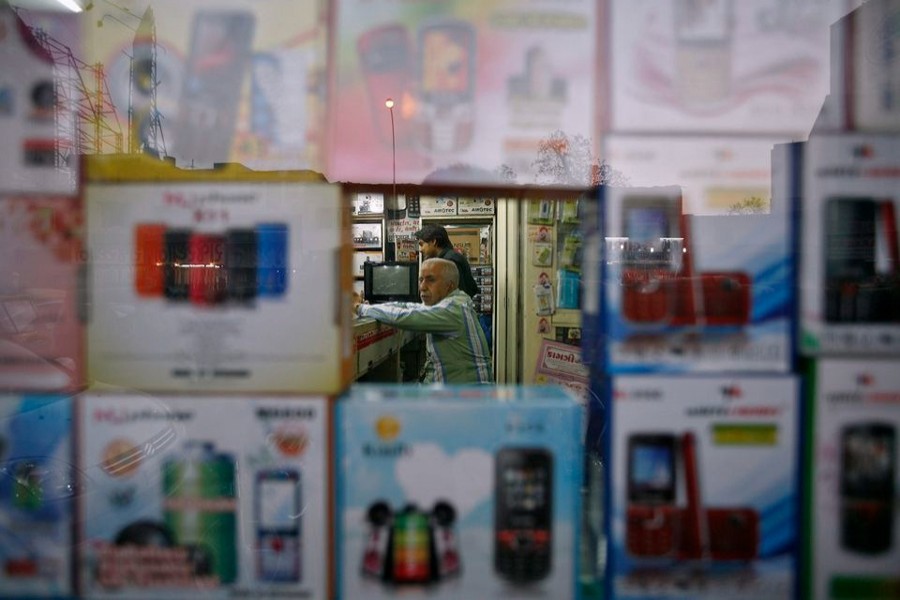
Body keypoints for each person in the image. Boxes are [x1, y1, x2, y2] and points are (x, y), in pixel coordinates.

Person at [353, 258, 493, 384]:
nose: (422, 287)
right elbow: (407, 307)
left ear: (449, 286)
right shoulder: (452, 302)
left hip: (465, 398)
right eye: (421, 280)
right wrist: (367, 306)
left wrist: (359, 308)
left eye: (430, 280)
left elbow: (403, 316)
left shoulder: (451, 309)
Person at [414, 224, 480, 299]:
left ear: (433, 241)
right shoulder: (448, 257)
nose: (420, 249)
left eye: (422, 244)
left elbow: (457, 297)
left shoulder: (449, 261)